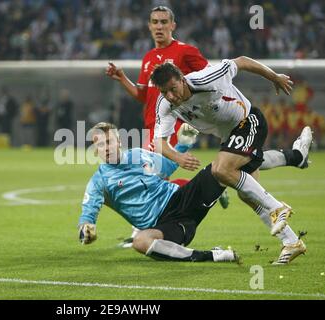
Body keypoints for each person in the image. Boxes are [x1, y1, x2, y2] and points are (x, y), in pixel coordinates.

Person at [150, 57, 312, 264]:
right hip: (229, 137)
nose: (171, 96)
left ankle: (277, 208)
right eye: (164, 92)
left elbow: (242, 61)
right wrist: (178, 157)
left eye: (173, 88)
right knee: (248, 195)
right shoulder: (165, 104)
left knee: (221, 169)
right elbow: (159, 142)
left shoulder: (207, 78)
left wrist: (274, 77)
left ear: (182, 79)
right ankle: (291, 242)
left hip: (248, 120)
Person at [78, 122, 238, 263]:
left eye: (109, 142)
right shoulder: (99, 181)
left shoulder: (138, 154)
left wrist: (183, 144)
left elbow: (167, 166)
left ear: (119, 142)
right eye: (100, 145)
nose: (106, 148)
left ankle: (246, 184)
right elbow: (88, 212)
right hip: (166, 227)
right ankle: (213, 255)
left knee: (222, 166)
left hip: (182, 199)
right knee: (140, 241)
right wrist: (85, 229)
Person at [105, 6, 209, 150]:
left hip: (176, 123)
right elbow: (143, 96)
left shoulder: (186, 51)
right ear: (149, 26)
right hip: (152, 125)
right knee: (151, 171)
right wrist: (123, 78)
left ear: (173, 25)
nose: (159, 27)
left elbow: (211, 79)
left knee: (152, 170)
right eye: (155, 22)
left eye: (164, 22)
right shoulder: (148, 57)